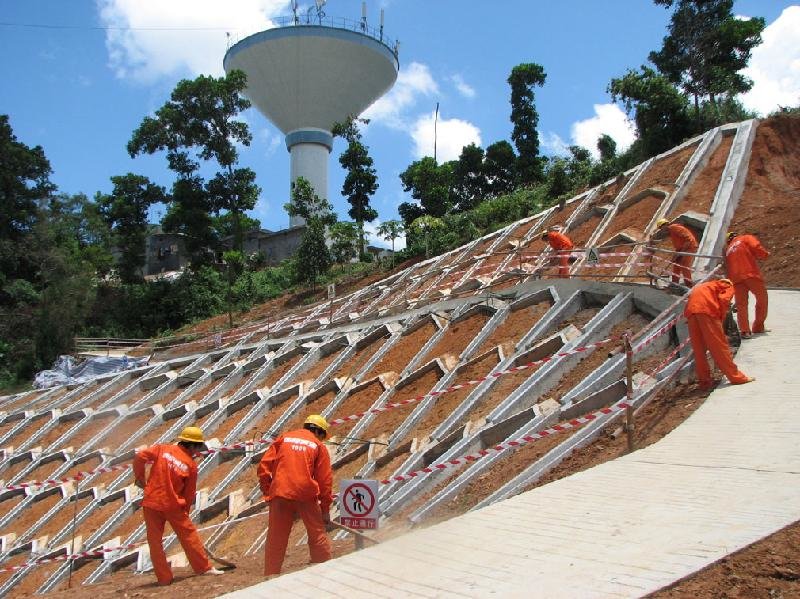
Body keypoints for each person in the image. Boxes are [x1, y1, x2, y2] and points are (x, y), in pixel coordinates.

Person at [133, 426, 223, 585]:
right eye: (197, 448)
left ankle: (164, 578)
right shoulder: (190, 465)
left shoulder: (162, 449)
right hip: (173, 505)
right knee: (189, 537)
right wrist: (186, 511)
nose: (197, 452)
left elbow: (140, 455)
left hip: (151, 502)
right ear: (193, 446)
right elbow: (189, 493)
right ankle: (204, 568)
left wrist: (140, 479)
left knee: (155, 542)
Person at [257, 414, 333, 576]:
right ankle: (324, 570)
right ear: (319, 432)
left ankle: (271, 575)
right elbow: (325, 481)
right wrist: (325, 510)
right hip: (306, 494)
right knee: (317, 534)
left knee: (276, 538)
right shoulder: (318, 446)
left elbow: (264, 466)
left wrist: (268, 491)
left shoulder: (284, 438)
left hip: (280, 492)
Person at [684, 278, 755, 391]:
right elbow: (724, 299)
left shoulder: (706, 286)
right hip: (707, 311)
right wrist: (721, 318)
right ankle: (736, 377)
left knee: (699, 350)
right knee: (719, 347)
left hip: (691, 312)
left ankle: (705, 382)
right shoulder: (728, 285)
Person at [724, 231, 769, 337]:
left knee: (741, 305)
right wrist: (765, 255)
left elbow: (726, 267)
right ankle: (758, 327)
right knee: (762, 299)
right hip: (750, 274)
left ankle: (745, 331)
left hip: (736, 279)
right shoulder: (745, 238)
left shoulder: (728, 250)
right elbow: (756, 246)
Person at [655, 218, 699, 286]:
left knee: (684, 265)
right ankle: (674, 283)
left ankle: (689, 284)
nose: (662, 230)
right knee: (676, 265)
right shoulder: (671, 232)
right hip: (682, 249)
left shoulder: (674, 228)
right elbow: (679, 244)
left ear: (665, 224)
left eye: (661, 228)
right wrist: (675, 254)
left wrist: (680, 252)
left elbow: (688, 240)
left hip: (690, 247)